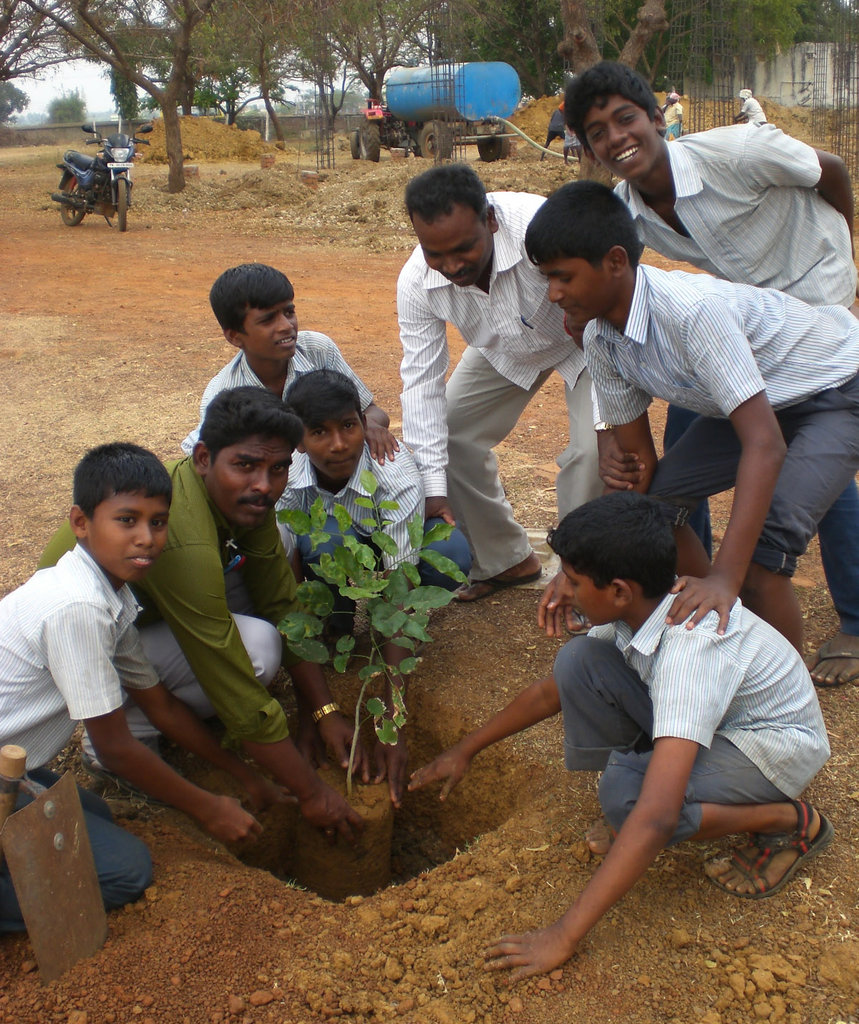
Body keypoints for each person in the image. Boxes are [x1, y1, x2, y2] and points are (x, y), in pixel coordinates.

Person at [410, 492, 831, 981]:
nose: (561, 590)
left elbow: (656, 819)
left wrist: (562, 936)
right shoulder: (643, 608)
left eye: (572, 579)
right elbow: (552, 693)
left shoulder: (690, 653)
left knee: (629, 802)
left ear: (618, 590)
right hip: (716, 725)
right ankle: (656, 773)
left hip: (769, 748)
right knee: (579, 662)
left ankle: (790, 819)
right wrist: (465, 750)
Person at [564, 60, 859, 687]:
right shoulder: (624, 216)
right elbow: (625, 333)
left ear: (656, 117)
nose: (616, 138)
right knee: (673, 481)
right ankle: (703, 604)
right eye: (597, 132)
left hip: (821, 327)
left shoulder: (736, 152)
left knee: (796, 507)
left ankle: (835, 631)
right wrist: (609, 447)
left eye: (626, 119)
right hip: (746, 333)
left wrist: (843, 250)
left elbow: (829, 170)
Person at [524, 180, 859, 655]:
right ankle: (729, 634)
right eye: (547, 280)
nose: (554, 294)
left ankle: (786, 705)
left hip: (838, 387)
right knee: (660, 504)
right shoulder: (600, 338)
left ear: (616, 262)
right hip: (766, 399)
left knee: (765, 555)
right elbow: (639, 467)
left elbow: (764, 445)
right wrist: (578, 567)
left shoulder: (692, 313)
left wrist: (727, 573)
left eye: (564, 277)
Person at [40, 389, 366, 843]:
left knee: (278, 569)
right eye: (245, 465)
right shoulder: (180, 537)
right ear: (202, 458)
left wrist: (322, 710)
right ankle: (120, 731)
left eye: (278, 469)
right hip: (79, 643)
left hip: (137, 623)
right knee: (253, 650)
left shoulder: (243, 502)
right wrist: (312, 794)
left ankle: (158, 711)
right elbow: (229, 677)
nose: (265, 485)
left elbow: (280, 602)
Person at [0, 443, 287, 931]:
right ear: (81, 522)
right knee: (127, 872)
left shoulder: (111, 595)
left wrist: (244, 775)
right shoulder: (78, 608)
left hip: (11, 765)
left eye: (158, 522)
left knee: (91, 813)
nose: (146, 538)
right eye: (127, 520)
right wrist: (207, 806)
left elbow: (163, 709)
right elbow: (115, 748)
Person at [397, 163, 602, 603]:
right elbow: (421, 381)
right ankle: (506, 560)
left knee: (592, 452)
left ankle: (583, 579)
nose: (451, 265)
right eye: (435, 253)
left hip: (587, 341)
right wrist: (433, 490)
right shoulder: (417, 281)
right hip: (503, 348)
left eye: (464, 248)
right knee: (450, 433)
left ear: (490, 219)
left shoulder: (540, 226)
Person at [281, 369, 472, 805]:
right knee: (321, 545)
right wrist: (316, 712)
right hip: (330, 546)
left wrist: (393, 721)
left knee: (451, 560)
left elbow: (399, 592)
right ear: (297, 441)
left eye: (348, 426)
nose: (338, 444)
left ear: (362, 424)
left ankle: (353, 624)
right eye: (318, 432)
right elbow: (287, 591)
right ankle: (338, 620)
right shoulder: (286, 479)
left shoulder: (393, 472)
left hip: (380, 544)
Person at [181, 263, 398, 465]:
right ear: (235, 337)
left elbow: (371, 411)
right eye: (267, 320)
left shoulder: (317, 350)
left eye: (289, 312)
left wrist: (371, 425)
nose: (286, 326)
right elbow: (207, 460)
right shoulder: (224, 393)